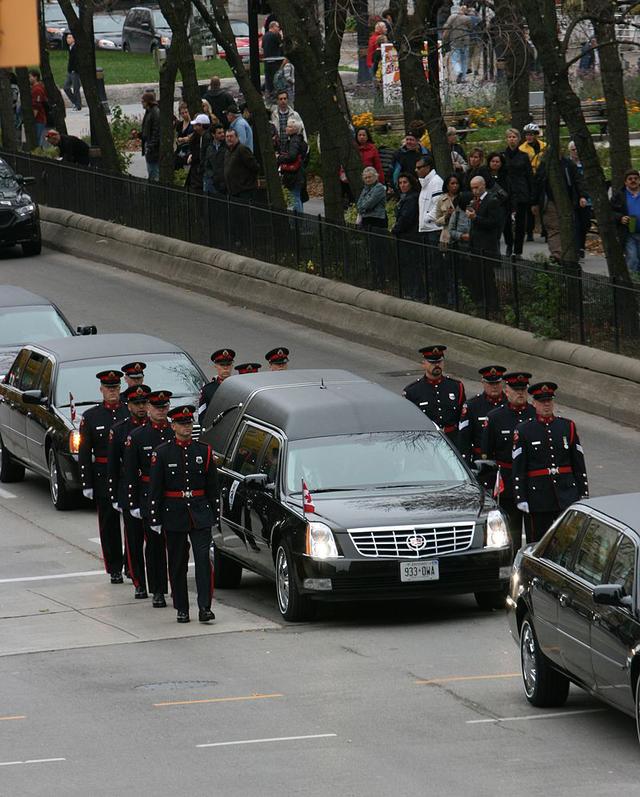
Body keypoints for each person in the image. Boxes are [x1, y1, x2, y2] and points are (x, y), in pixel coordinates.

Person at [148, 405, 218, 624]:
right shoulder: (162, 453)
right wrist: (155, 517)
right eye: (182, 424)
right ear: (173, 426)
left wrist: (214, 515)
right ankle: (181, 607)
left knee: (203, 562)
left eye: (189, 423)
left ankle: (205, 607)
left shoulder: (203, 451)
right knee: (177, 563)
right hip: (174, 513)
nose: (186, 427)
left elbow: (212, 487)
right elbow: (156, 489)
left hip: (199, 512)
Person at [512, 382, 589, 543]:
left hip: (566, 493)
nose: (546, 405)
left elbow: (578, 463)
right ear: (534, 404)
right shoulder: (525, 430)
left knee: (568, 540)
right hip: (539, 497)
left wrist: (583, 492)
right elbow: (519, 467)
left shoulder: (567, 426)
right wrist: (521, 497)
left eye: (549, 401)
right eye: (541, 402)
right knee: (538, 541)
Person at [124, 389, 173, 608]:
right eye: (156, 407)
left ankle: (175, 586)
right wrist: (133, 503)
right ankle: (158, 590)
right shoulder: (137, 436)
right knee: (153, 546)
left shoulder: (176, 432)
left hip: (173, 497)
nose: (161, 411)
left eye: (164, 407)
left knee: (176, 547)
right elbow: (130, 473)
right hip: (148, 496)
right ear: (149, 409)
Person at [78, 370, 129, 584]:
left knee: (132, 523)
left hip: (126, 475)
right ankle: (114, 566)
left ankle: (131, 562)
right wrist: (86, 482)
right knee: (108, 524)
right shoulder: (91, 416)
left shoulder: (129, 412)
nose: (113, 392)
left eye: (116, 388)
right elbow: (84, 452)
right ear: (101, 390)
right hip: (103, 476)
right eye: (109, 388)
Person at [480, 371, 536, 550]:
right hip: (507, 481)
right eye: (515, 389)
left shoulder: (535, 414)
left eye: (523, 389)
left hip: (531, 481)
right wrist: (489, 488)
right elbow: (487, 455)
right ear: (507, 391)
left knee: (534, 534)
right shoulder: (495, 417)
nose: (520, 393)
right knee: (511, 534)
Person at [107, 384, 150, 599]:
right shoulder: (120, 430)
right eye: (137, 403)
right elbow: (114, 466)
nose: (141, 407)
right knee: (133, 541)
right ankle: (138, 581)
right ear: (129, 405)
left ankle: (157, 581)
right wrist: (115, 495)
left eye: (144, 403)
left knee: (155, 541)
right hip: (130, 490)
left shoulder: (157, 429)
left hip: (152, 492)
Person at [403, 345, 465, 447]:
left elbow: (463, 419)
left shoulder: (456, 387)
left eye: (439, 362)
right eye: (432, 362)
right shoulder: (412, 391)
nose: (436, 365)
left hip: (451, 442)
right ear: (424, 364)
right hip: (425, 442)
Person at [534, 150, 588, 263]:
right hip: (549, 201)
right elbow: (537, 184)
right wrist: (534, 202)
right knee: (553, 228)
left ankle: (571, 252)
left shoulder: (569, 164)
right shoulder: (544, 165)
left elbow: (578, 180)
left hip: (567, 201)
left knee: (570, 227)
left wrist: (582, 196)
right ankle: (557, 254)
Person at [458, 365, 507, 465]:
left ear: (502, 383)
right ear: (483, 383)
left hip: (506, 461)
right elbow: (464, 439)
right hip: (481, 461)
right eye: (490, 383)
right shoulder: (472, 406)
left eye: (497, 383)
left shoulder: (510, 405)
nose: (494, 386)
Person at [502, 128, 533, 258]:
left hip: (521, 192)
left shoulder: (523, 156)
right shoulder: (502, 156)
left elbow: (529, 176)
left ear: (518, 139)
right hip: (506, 193)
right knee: (506, 222)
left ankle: (518, 250)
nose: (512, 139)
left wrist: (531, 195)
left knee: (520, 223)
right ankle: (509, 244)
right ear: (506, 139)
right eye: (509, 137)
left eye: (514, 137)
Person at [519, 123, 547, 242]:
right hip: (529, 179)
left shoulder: (544, 146)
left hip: (541, 178)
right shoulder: (522, 149)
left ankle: (545, 231)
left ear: (536, 135)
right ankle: (529, 231)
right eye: (527, 135)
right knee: (530, 206)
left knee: (544, 204)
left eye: (531, 135)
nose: (529, 137)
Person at [611, 169, 640, 275]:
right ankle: (633, 285)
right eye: (630, 179)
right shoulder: (619, 195)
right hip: (628, 233)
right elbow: (610, 212)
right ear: (625, 182)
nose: (633, 181)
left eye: (636, 178)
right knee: (632, 259)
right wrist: (620, 218)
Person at [466, 176, 502, 257]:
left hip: (487, 244)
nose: (474, 190)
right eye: (472, 188)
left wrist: (475, 218)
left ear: (483, 185)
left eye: (476, 187)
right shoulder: (474, 201)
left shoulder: (492, 200)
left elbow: (494, 222)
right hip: (475, 244)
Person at [567, 140, 592, 258]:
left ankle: (581, 245)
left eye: (577, 149)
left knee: (585, 224)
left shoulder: (587, 164)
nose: (576, 152)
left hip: (587, 199)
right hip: (572, 200)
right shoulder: (567, 164)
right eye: (573, 150)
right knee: (576, 225)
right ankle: (578, 249)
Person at [277, 119, 307, 213]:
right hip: (298, 173)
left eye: (289, 126)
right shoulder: (300, 140)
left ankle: (298, 222)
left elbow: (292, 156)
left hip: (294, 174)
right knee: (297, 197)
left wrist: (280, 158)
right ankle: (299, 221)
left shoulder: (294, 141)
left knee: (295, 198)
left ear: (295, 129)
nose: (286, 128)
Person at [224, 128, 260, 202]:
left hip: (244, 191)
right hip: (233, 191)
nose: (229, 139)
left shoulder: (242, 149)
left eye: (231, 136)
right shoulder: (228, 152)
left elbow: (255, 166)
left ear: (237, 137)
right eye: (227, 137)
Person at [198, 348, 236, 417]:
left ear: (232, 365)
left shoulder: (238, 387)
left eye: (228, 364)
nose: (225, 368)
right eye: (222, 365)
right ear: (215, 365)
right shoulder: (207, 390)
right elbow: (202, 416)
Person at [416, 156, 444, 247]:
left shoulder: (436, 182)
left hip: (434, 229)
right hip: (426, 229)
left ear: (428, 167)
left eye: (419, 168)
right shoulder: (425, 183)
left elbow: (439, 205)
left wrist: (427, 218)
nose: (416, 170)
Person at [442, 5, 472, 84]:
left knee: (454, 58)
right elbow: (470, 28)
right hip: (465, 40)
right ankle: (463, 78)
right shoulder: (467, 18)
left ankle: (459, 71)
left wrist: (444, 38)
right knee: (464, 59)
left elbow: (446, 27)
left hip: (455, 40)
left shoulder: (452, 17)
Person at [434, 174, 463, 247]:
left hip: (461, 234)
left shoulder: (464, 197)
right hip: (446, 236)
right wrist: (446, 216)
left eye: (457, 183)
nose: (455, 186)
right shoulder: (441, 199)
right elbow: (437, 222)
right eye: (452, 183)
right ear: (447, 185)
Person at [185, 113, 211, 192]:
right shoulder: (202, 137)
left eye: (196, 125)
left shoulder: (206, 137)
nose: (194, 127)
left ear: (201, 126)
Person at [140, 91, 160, 181]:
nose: (142, 103)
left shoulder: (154, 112)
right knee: (151, 169)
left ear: (148, 102)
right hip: (149, 144)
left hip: (153, 147)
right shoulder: (149, 112)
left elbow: (156, 131)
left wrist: (151, 145)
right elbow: (147, 130)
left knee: (153, 170)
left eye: (143, 101)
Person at [203, 123, 227, 197]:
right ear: (213, 135)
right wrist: (211, 175)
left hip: (224, 182)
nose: (222, 134)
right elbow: (207, 164)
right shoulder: (209, 148)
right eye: (219, 133)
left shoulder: (227, 147)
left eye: (223, 132)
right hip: (212, 181)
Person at [262, 20, 284, 99]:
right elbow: (281, 45)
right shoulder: (275, 36)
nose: (278, 29)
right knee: (276, 79)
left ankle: (269, 94)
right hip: (275, 61)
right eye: (277, 27)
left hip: (267, 62)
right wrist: (281, 36)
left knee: (269, 80)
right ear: (273, 27)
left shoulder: (265, 36)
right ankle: (276, 95)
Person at [28, 69, 48, 147]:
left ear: (35, 77)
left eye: (30, 77)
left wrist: (32, 119)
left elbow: (37, 106)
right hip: (38, 119)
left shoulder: (37, 89)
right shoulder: (35, 88)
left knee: (37, 139)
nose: (28, 79)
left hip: (38, 119)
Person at [63, 33, 82, 111]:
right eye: (67, 38)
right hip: (70, 71)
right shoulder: (70, 47)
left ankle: (78, 105)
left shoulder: (76, 48)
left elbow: (78, 60)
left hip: (75, 71)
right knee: (66, 87)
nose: (68, 39)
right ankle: (75, 102)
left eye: (70, 37)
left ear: (74, 39)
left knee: (76, 88)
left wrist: (76, 69)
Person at [174, 102, 193, 172]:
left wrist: (184, 139)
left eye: (186, 112)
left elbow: (191, 137)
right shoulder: (179, 124)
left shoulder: (192, 124)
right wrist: (179, 139)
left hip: (189, 150)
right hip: (180, 149)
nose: (185, 114)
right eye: (182, 113)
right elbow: (176, 137)